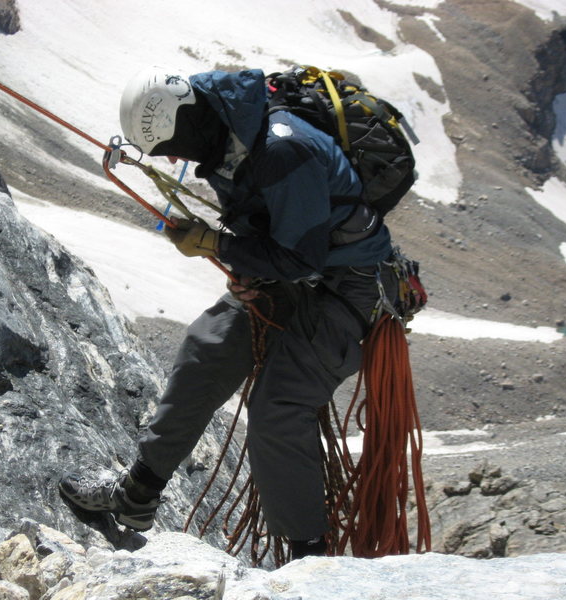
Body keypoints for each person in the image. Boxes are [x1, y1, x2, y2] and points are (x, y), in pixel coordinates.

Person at [59, 67, 401, 559]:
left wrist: (217, 245)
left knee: (277, 408)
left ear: (185, 121)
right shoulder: (227, 135)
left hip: (349, 284)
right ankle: (136, 495)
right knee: (209, 347)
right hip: (296, 271)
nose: (174, 159)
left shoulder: (282, 147)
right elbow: (275, 235)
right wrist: (237, 257)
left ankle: (311, 559)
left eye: (171, 146)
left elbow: (301, 256)